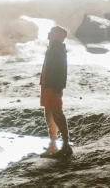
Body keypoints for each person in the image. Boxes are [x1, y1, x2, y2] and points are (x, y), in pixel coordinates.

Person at [39, 25, 72, 157]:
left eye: (51, 32)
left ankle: (65, 145)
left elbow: (61, 70)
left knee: (56, 114)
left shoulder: (57, 49)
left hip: (53, 86)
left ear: (57, 35)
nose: (48, 33)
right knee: (49, 113)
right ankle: (53, 145)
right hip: (49, 85)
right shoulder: (53, 47)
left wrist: (57, 88)